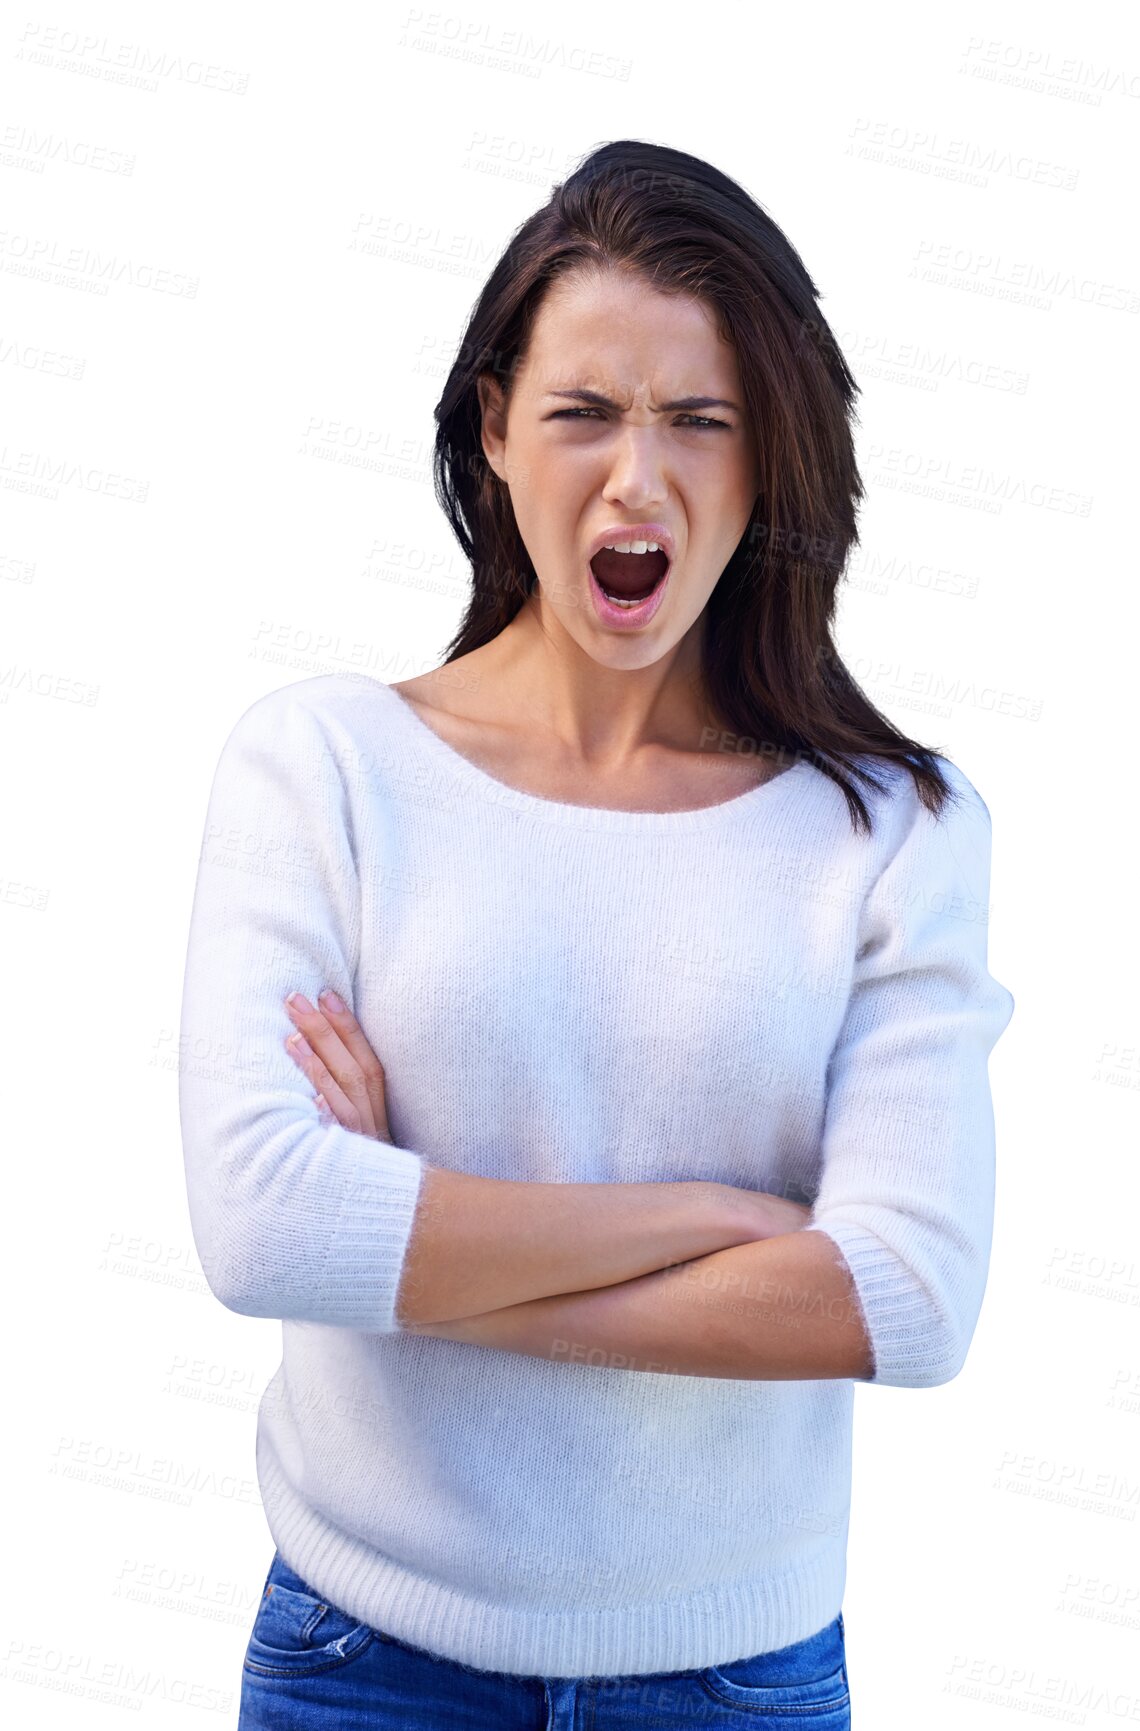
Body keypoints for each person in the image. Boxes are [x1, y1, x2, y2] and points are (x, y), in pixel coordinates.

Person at [179, 139, 1015, 1728]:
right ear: (494, 430)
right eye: (582, 413)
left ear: (767, 459)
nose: (638, 478)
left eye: (699, 420)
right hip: (366, 1662)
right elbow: (264, 1229)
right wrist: (714, 1216)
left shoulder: (895, 828)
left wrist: (415, 1255)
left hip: (732, 1676)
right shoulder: (325, 769)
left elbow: (904, 1299)